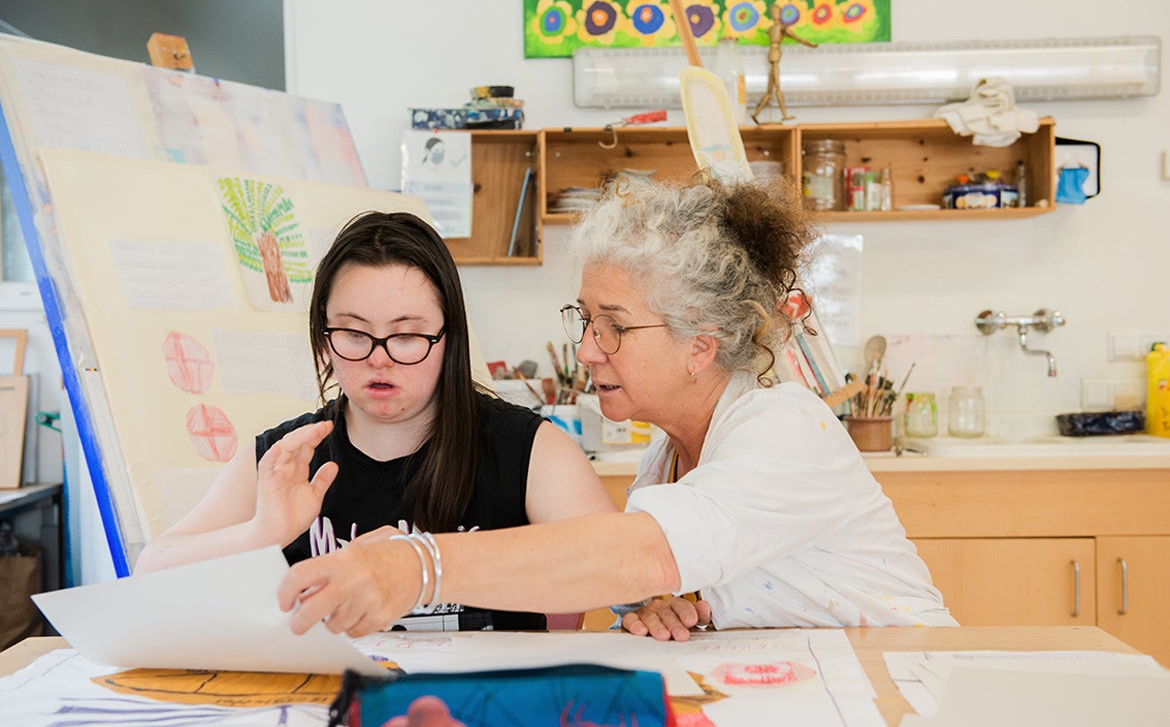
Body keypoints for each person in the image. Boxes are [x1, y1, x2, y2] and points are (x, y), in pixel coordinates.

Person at [275, 178, 956, 641]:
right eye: (584, 320)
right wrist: (661, 604)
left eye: (614, 327)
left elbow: (644, 552)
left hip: (900, 686)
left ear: (700, 344)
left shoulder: (783, 427)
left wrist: (417, 567)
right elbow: (657, 568)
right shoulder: (667, 458)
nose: (587, 350)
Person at [135, 211, 617, 631]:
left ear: (448, 337)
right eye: (353, 333)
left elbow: (612, 559)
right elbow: (151, 573)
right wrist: (261, 532)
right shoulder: (286, 458)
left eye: (406, 336)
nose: (378, 359)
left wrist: (421, 566)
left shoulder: (526, 448)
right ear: (324, 339)